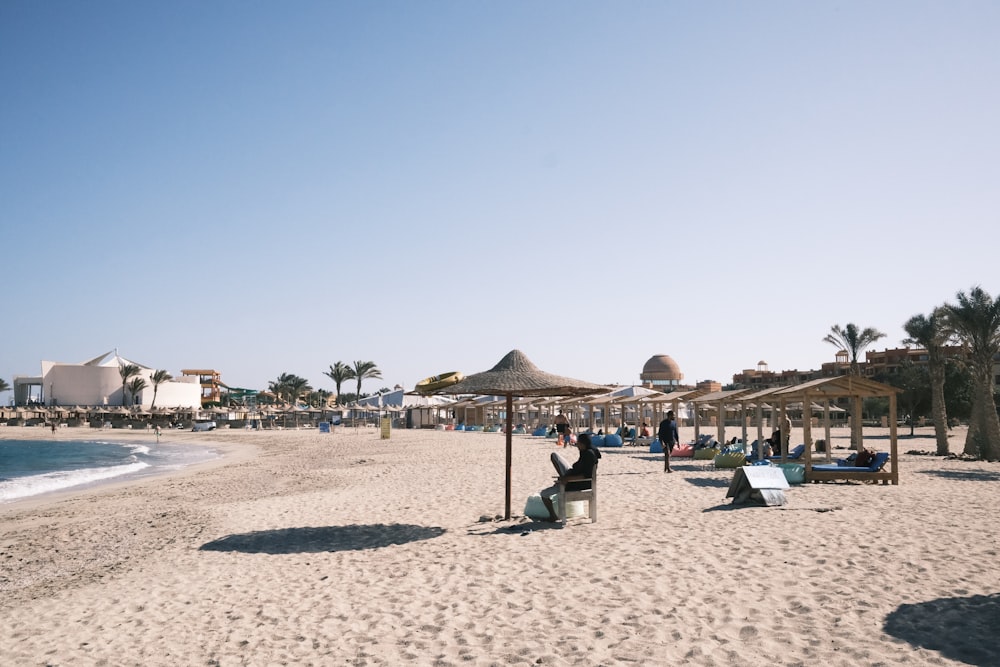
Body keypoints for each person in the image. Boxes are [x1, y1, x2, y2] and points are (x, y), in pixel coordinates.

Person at [539, 433, 600, 522]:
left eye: (578, 443)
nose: (577, 445)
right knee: (554, 456)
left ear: (583, 444)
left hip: (576, 483)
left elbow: (586, 475)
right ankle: (563, 478)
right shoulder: (590, 450)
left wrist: (566, 479)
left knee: (544, 494)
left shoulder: (588, 455)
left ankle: (553, 516)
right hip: (573, 475)